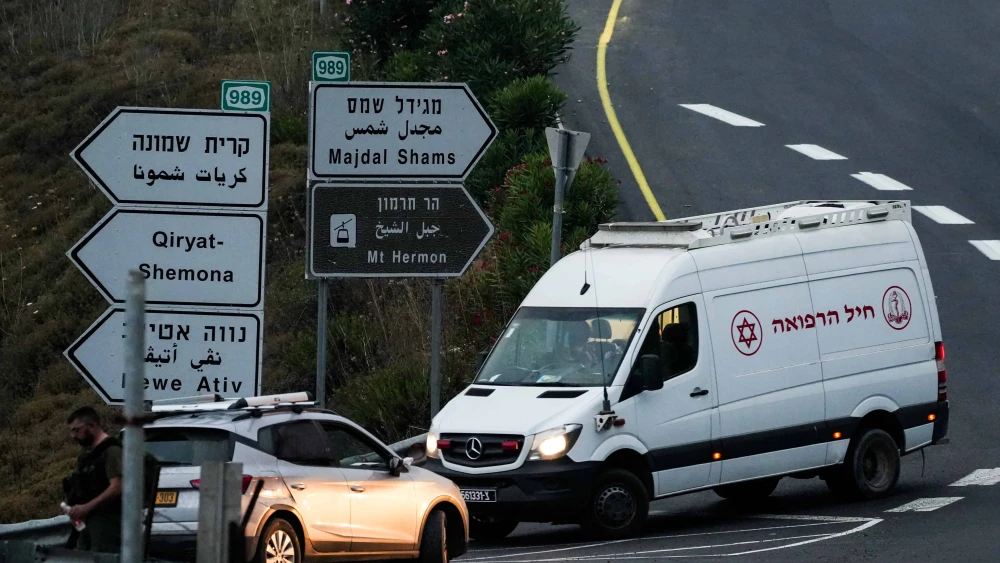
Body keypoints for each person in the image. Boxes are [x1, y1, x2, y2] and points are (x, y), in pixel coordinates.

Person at [63, 406, 123, 553]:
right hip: (87, 525)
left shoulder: (112, 451)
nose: (74, 435)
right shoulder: (88, 456)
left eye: (77, 430)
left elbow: (117, 486)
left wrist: (86, 507)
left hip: (107, 524)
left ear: (91, 426)